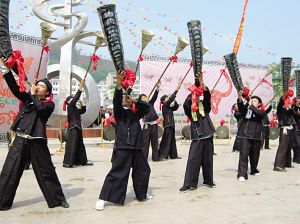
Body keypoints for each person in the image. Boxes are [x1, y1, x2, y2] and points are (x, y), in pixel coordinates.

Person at [0, 57, 68, 210]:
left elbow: (39, 109)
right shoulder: (27, 98)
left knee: (47, 171)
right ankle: (1, 201)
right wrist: (6, 70)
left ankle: (57, 200)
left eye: (41, 86)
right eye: (37, 84)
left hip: (37, 141)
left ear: (47, 92)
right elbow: (14, 87)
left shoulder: (49, 104)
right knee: (9, 169)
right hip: (20, 138)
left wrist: (32, 94)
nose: (37, 86)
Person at [95, 70, 152, 211]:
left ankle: (142, 194)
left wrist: (135, 101)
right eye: (124, 99)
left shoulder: (136, 113)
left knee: (143, 171)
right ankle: (103, 199)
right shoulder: (119, 113)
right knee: (117, 172)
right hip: (123, 147)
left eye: (127, 99)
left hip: (137, 147)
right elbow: (116, 101)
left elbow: (148, 107)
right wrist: (119, 84)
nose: (125, 100)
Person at [179, 73, 216, 193]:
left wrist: (203, 85)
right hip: (198, 135)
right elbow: (186, 104)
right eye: (196, 96)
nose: (197, 98)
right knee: (193, 159)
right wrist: (194, 90)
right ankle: (189, 184)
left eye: (198, 96)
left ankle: (208, 181)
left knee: (208, 159)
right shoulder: (190, 110)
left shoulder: (205, 107)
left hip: (208, 133)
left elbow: (207, 97)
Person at [62, 79, 93, 168]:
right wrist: (80, 87)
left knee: (80, 144)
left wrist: (82, 102)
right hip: (73, 127)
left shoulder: (74, 109)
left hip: (78, 127)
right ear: (68, 102)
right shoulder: (70, 107)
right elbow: (75, 99)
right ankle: (68, 162)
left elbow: (83, 110)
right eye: (71, 99)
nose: (74, 100)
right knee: (72, 144)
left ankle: (82, 161)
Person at [236, 90, 265, 181]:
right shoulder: (246, 111)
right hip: (245, 135)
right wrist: (240, 98)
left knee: (255, 155)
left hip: (256, 137)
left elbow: (259, 114)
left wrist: (250, 105)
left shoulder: (261, 112)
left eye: (255, 101)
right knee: (244, 155)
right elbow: (241, 108)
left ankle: (253, 169)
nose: (252, 102)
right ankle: (242, 174)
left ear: (259, 104)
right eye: (251, 100)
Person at [274, 90, 296, 172]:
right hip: (284, 128)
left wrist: (290, 108)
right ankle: (278, 164)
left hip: (290, 128)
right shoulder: (280, 109)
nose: (289, 101)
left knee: (289, 145)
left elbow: (295, 115)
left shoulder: (288, 109)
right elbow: (280, 104)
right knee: (283, 146)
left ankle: (287, 162)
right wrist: (284, 96)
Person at [158, 83, 182, 160]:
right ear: (163, 101)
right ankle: (162, 155)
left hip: (171, 125)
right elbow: (170, 100)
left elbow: (176, 107)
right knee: (166, 140)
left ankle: (173, 155)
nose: (168, 99)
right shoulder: (164, 106)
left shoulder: (169, 107)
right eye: (167, 98)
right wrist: (176, 90)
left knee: (172, 140)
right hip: (167, 125)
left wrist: (175, 102)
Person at [140, 80, 161, 162]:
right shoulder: (141, 105)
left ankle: (156, 158)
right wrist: (145, 102)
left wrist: (157, 88)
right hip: (146, 125)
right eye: (143, 98)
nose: (145, 99)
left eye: (145, 97)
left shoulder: (150, 103)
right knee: (145, 142)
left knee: (155, 142)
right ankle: (144, 158)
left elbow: (154, 97)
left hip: (154, 124)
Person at [292, 97, 300, 164]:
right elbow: (294, 114)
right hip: (296, 128)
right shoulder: (293, 107)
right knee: (297, 144)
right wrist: (297, 104)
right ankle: (296, 159)